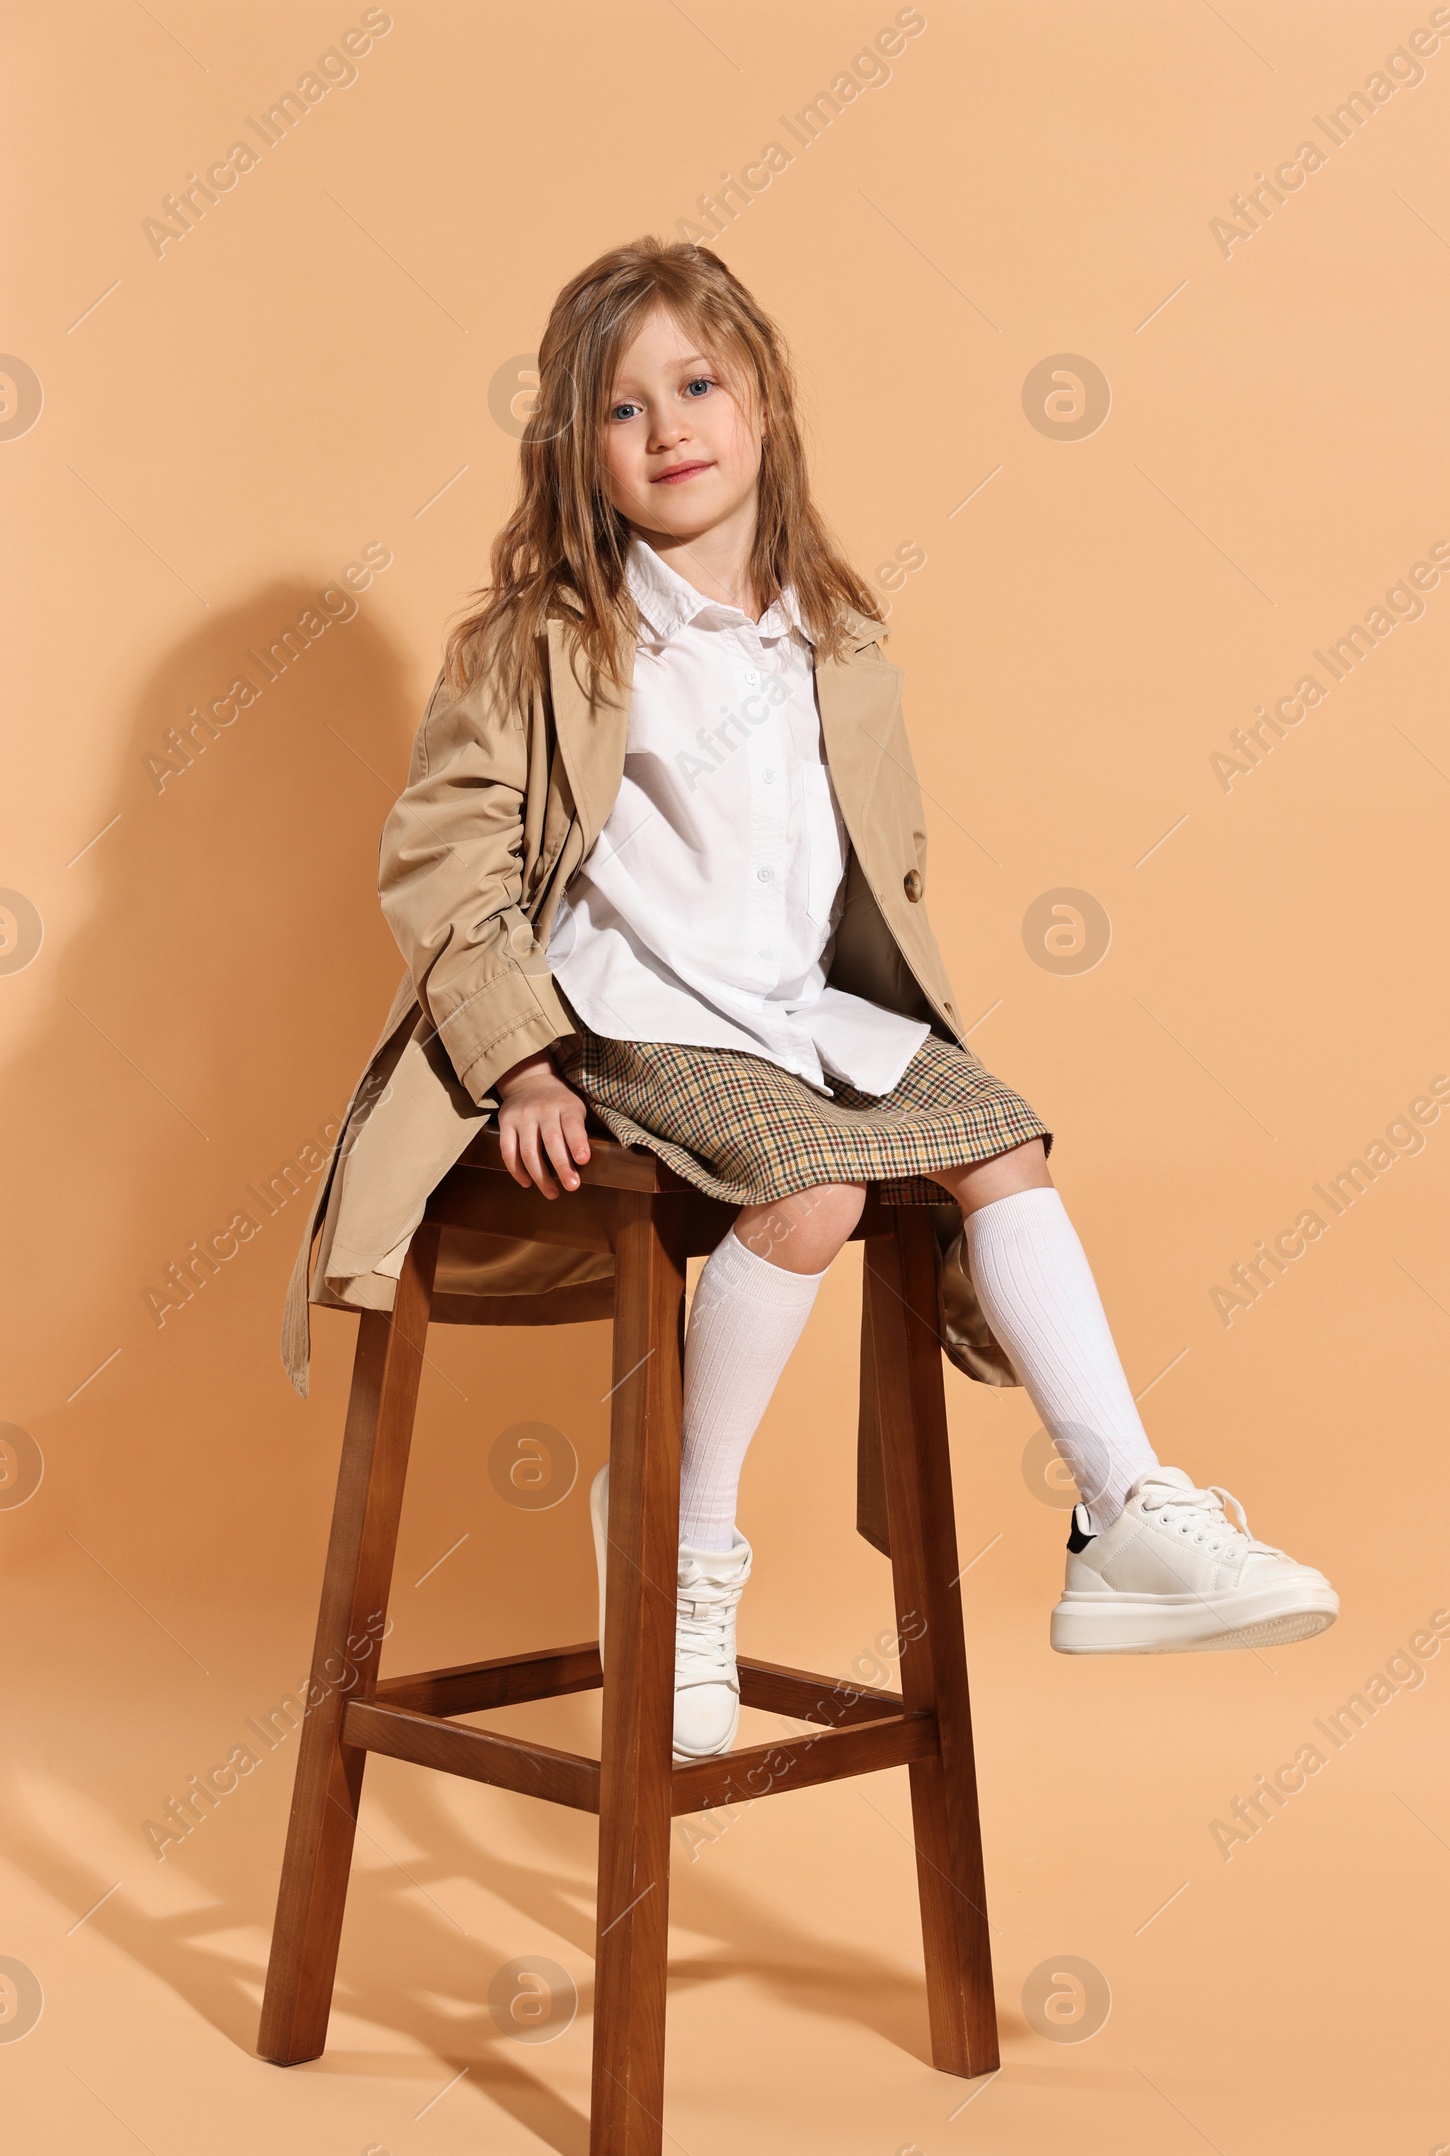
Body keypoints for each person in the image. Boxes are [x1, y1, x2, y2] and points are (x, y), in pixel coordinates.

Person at [304, 236, 1337, 1766]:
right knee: (815, 1189)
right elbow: (445, 864)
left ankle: (1125, 1515)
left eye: (698, 385)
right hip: (622, 1019)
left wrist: (879, 1028)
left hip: (793, 1017)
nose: (670, 429)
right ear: (576, 452)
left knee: (1005, 1141)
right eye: (622, 408)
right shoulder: (542, 641)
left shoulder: (831, 639)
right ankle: (676, 1543)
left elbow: (865, 880)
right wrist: (522, 1065)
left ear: (764, 399)